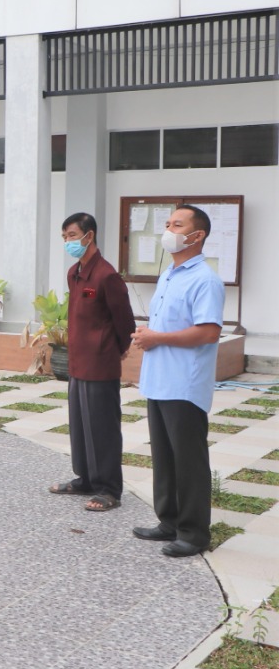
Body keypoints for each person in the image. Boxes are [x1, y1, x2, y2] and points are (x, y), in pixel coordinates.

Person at [131, 205, 225, 558]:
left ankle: (194, 533)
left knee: (188, 461)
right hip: (159, 380)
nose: (168, 230)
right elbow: (169, 324)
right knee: (165, 458)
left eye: (177, 225)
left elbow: (208, 332)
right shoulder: (169, 275)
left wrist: (157, 338)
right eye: (168, 223)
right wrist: (149, 334)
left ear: (197, 235)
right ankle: (169, 521)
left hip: (184, 384)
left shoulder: (205, 279)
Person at [48, 213, 136, 512]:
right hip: (78, 363)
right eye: (64, 237)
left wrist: (116, 349)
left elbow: (125, 321)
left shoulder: (106, 275)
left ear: (89, 235)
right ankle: (85, 479)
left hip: (100, 364)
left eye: (72, 235)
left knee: (102, 428)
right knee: (80, 426)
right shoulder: (75, 273)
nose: (68, 241)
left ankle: (109, 490)